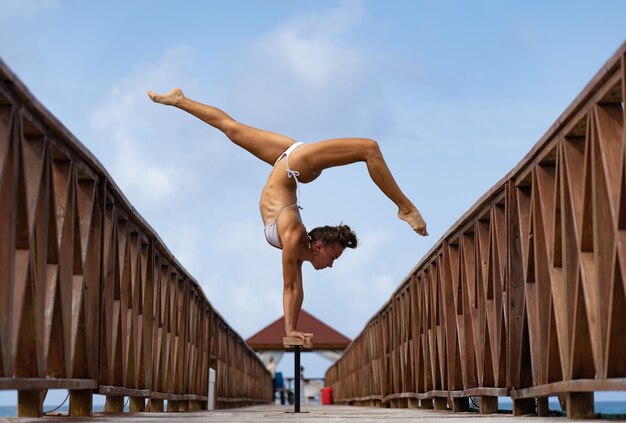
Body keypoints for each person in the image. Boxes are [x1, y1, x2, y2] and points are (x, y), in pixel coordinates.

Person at [147, 89, 428, 342]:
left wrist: (290, 329)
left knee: (231, 130)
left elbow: (296, 289)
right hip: (296, 164)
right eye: (333, 258)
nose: (331, 266)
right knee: (369, 149)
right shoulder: (294, 238)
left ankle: (180, 100)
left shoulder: (301, 251)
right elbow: (290, 286)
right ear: (318, 247)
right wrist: (289, 329)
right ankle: (404, 207)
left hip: (285, 156)